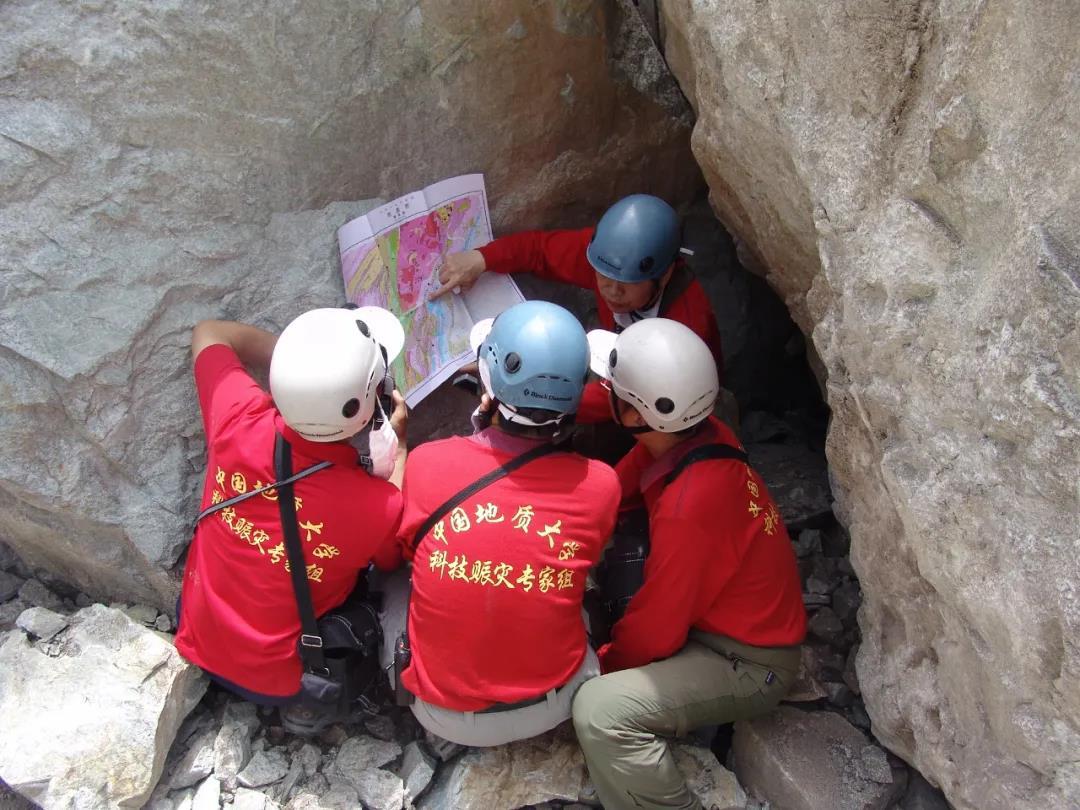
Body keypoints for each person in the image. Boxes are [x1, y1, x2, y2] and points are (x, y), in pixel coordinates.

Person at [571, 318, 806, 810]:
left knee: (600, 710)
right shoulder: (702, 435)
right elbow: (617, 489)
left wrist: (599, 665)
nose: (605, 391)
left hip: (747, 661)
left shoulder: (690, 505)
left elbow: (656, 630)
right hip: (731, 619)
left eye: (612, 389)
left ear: (634, 413)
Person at [378, 300, 620, 747]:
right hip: (556, 702)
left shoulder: (429, 464)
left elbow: (397, 548)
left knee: (394, 583)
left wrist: (401, 445)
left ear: (488, 382)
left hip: (442, 713)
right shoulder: (601, 485)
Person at [175, 306, 408, 729]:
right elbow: (391, 561)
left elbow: (209, 332)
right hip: (282, 680)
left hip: (196, 633)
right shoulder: (378, 504)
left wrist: (298, 370)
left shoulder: (237, 417)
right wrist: (401, 448)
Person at [431, 194, 724, 425]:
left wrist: (519, 394)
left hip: (661, 411)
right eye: (603, 277)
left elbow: (626, 398)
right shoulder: (607, 261)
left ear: (666, 274)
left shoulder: (684, 328)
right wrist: (482, 259)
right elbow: (539, 251)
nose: (611, 291)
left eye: (627, 284)